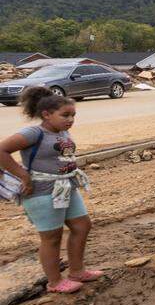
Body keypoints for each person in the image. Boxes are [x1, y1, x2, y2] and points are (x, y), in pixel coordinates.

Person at [0, 87, 100, 294]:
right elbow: (2, 150)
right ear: (46, 115)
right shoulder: (34, 133)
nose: (71, 119)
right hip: (41, 192)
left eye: (73, 115)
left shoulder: (62, 131)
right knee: (52, 237)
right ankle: (54, 282)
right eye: (65, 115)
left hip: (65, 188)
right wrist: (23, 175)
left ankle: (77, 271)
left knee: (82, 226)